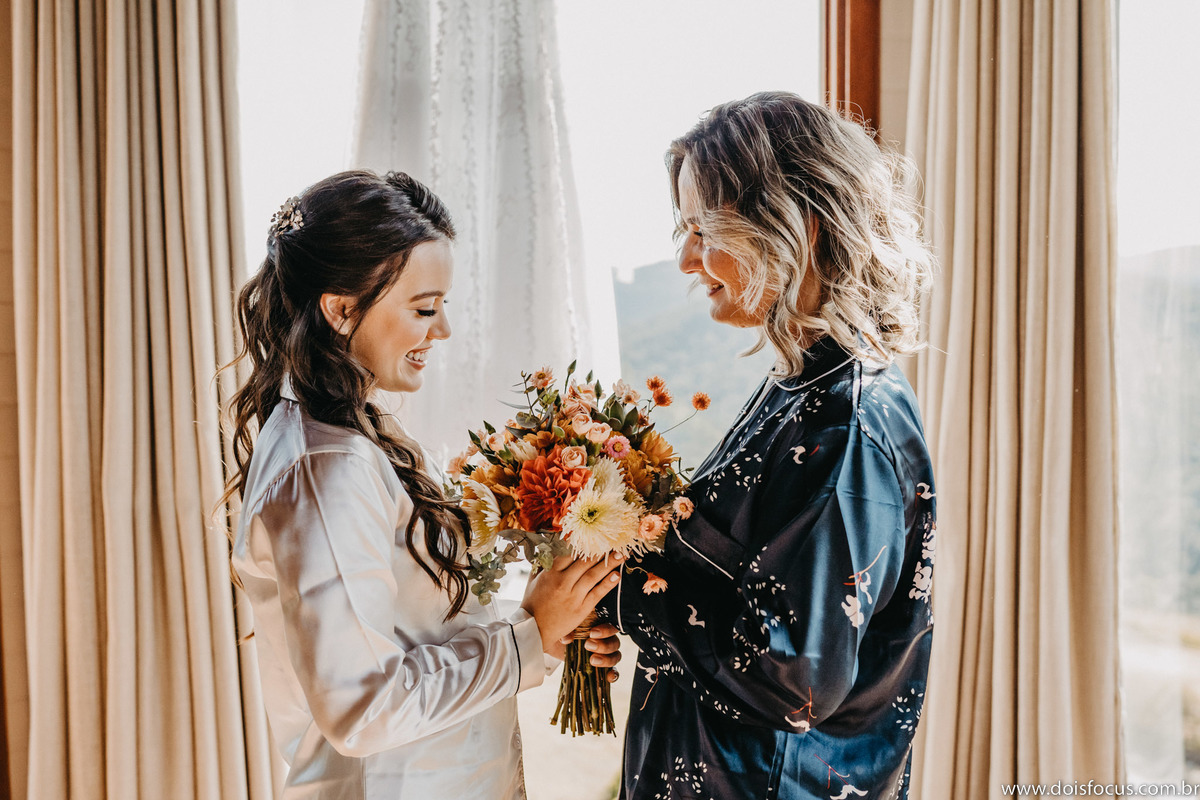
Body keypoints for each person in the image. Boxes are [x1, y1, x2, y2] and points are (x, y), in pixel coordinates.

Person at [220, 170, 622, 800]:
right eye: (424, 308)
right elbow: (363, 708)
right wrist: (527, 637)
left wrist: (543, 628)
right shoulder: (328, 469)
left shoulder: (354, 433)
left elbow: (415, 633)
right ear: (341, 308)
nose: (443, 331)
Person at [598, 92, 937, 799]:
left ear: (799, 227)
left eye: (704, 229)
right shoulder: (801, 386)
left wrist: (624, 596)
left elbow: (794, 677)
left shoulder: (848, 425)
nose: (688, 260)